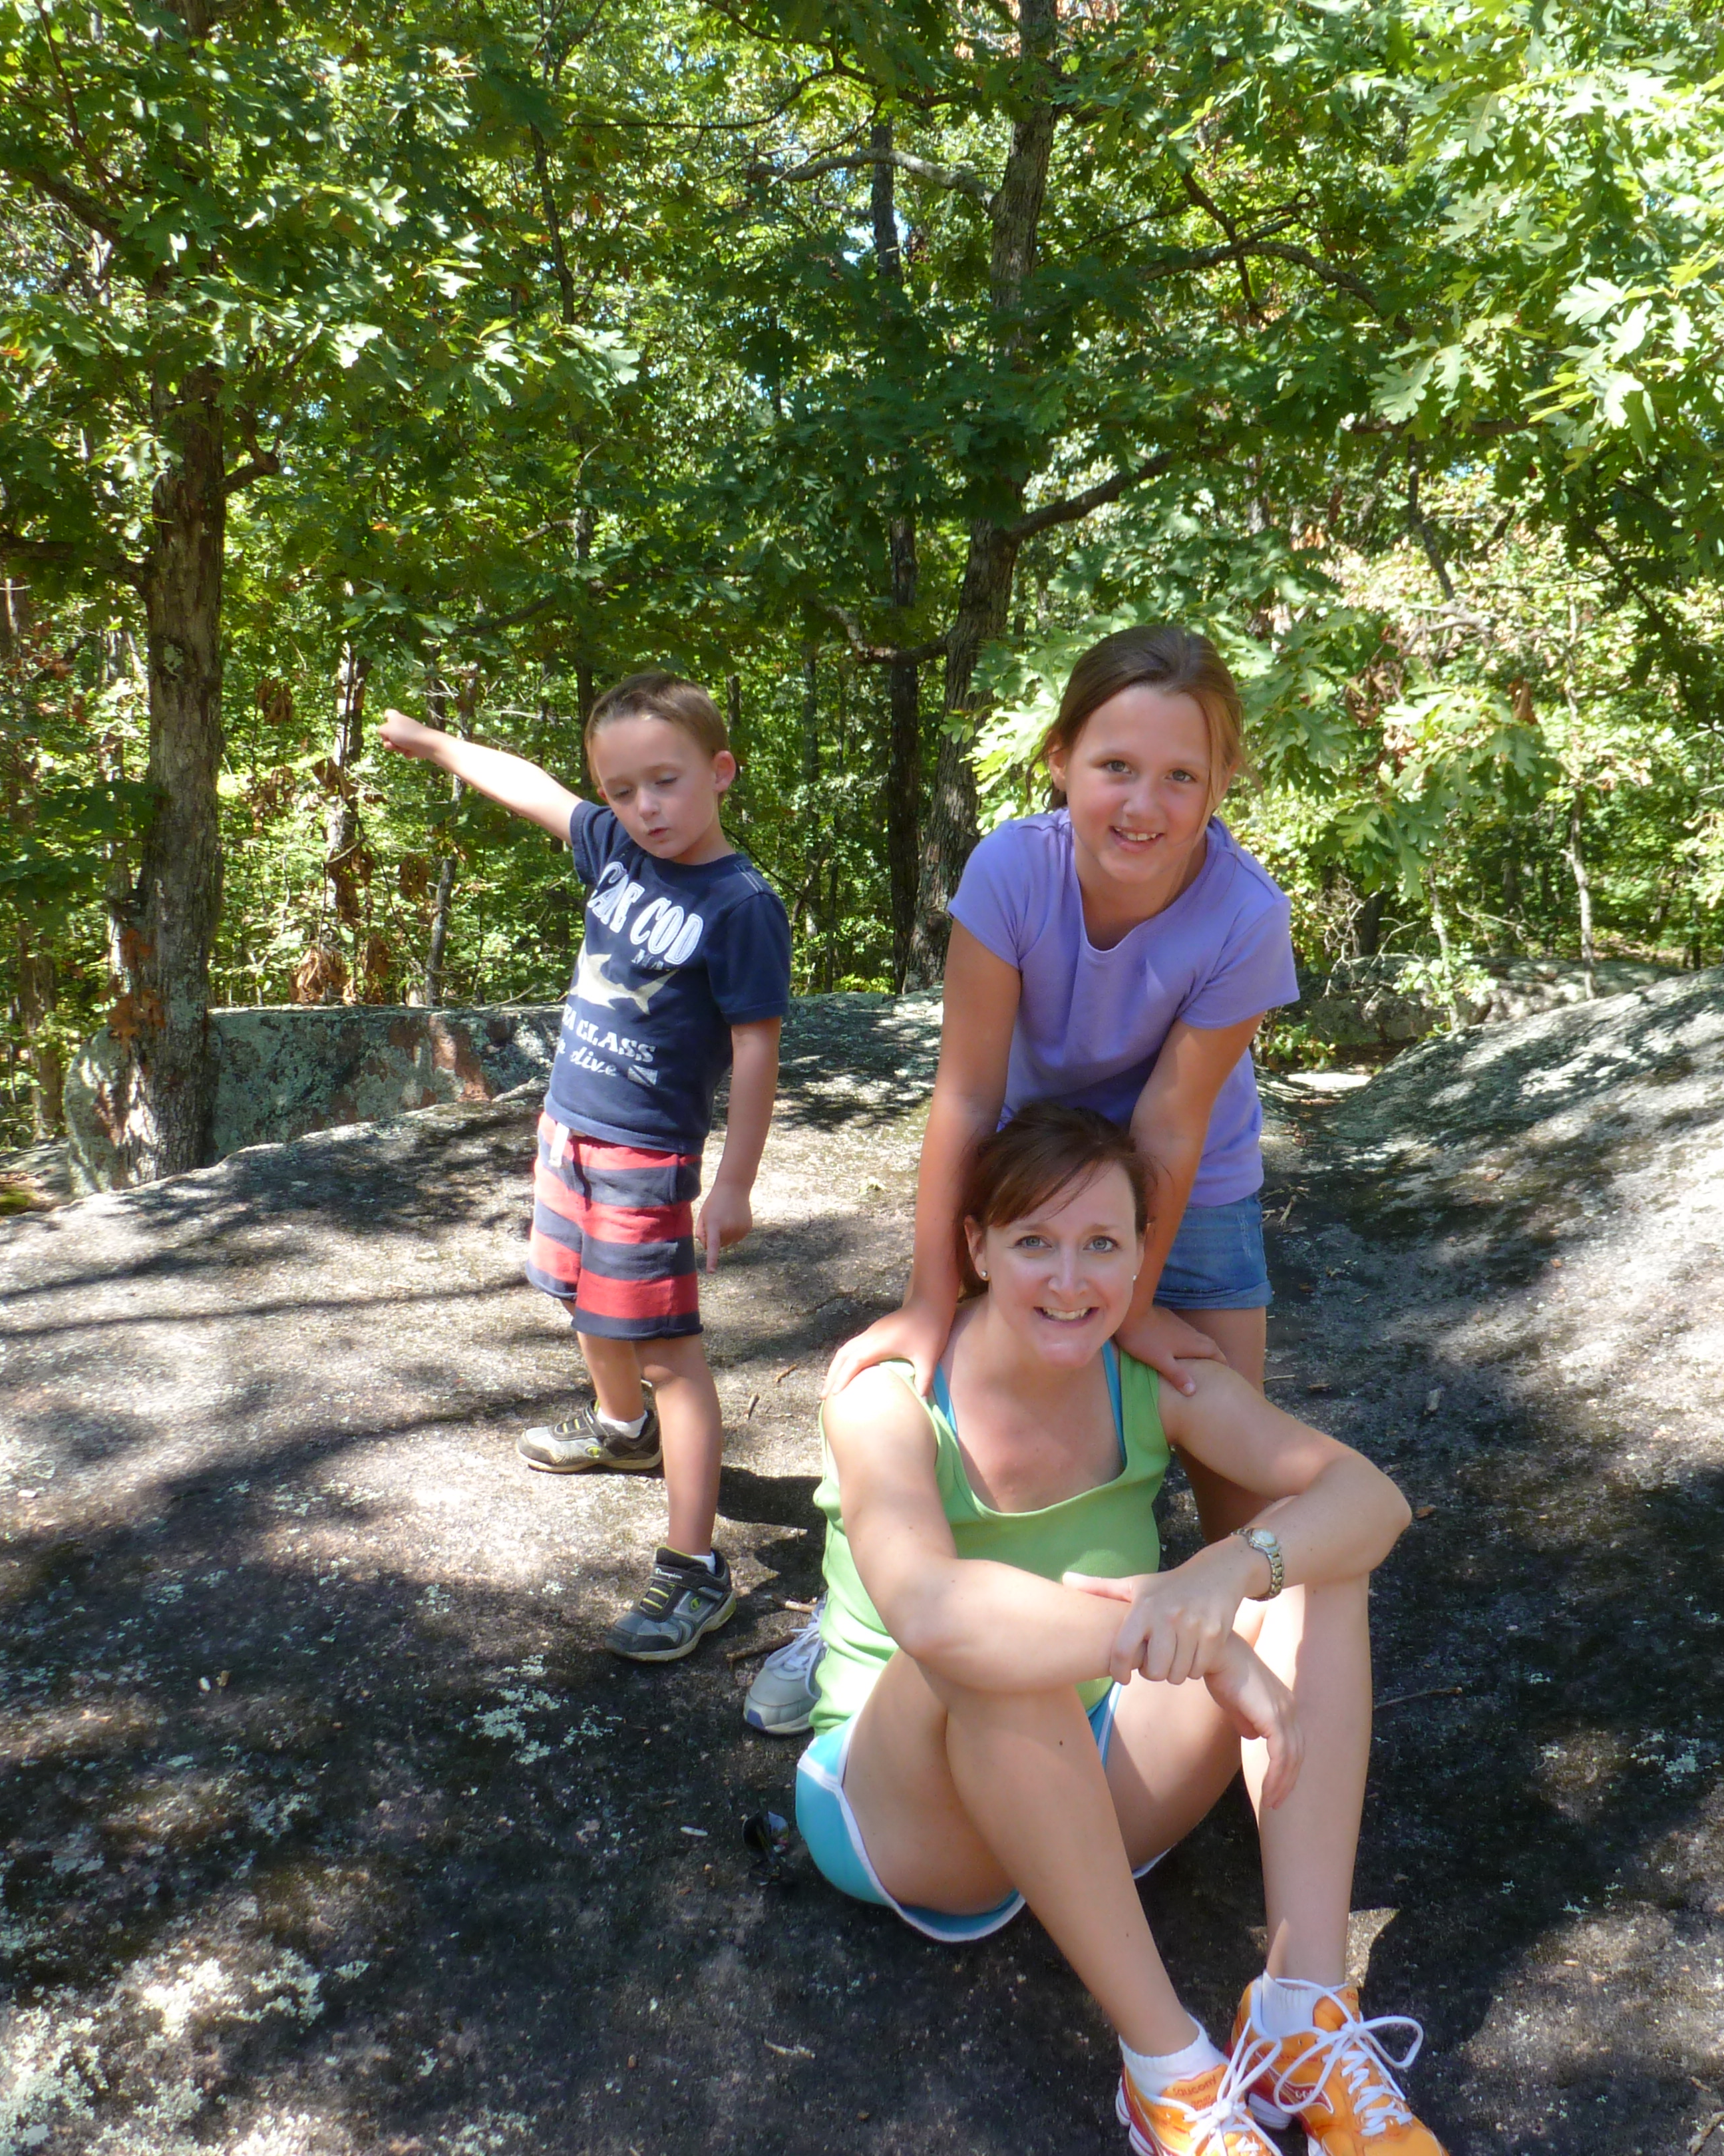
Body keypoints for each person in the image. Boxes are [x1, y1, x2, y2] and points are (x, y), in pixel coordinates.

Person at [796, 1104, 1441, 2156]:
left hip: (1092, 1778)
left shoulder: (1154, 1377)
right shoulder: (889, 1399)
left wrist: (1232, 1571)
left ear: (1144, 1255)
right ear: (977, 1248)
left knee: (1314, 1565)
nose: (1070, 1279)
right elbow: (931, 1611)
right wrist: (1199, 1639)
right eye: (1034, 1242)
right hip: (906, 1808)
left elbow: (1370, 1499)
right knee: (986, 1646)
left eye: (1102, 1244)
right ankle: (1171, 2077)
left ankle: (1303, 2018)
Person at [753, 623, 1295, 1736]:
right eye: (1115, 766)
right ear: (1060, 760)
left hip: (1191, 1183)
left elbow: (1169, 1127)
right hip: (1033, 1166)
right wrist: (930, 1297)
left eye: (1181, 776)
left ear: (1223, 781)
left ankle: (1254, 1728)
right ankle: (859, 1618)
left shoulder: (1246, 915)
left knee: (1244, 1478)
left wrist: (1134, 1306)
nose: (1143, 804)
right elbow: (965, 1092)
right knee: (956, 1410)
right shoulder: (1012, 870)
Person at [378, 672, 790, 1662]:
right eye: (621, 789)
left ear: (720, 772)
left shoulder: (740, 907)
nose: (646, 807)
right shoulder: (614, 850)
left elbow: (756, 1051)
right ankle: (622, 1429)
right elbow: (529, 786)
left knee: (669, 1354)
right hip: (568, 1131)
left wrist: (734, 1182)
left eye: (666, 781)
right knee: (579, 1297)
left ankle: (696, 1566)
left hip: (648, 1155)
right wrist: (436, 745)